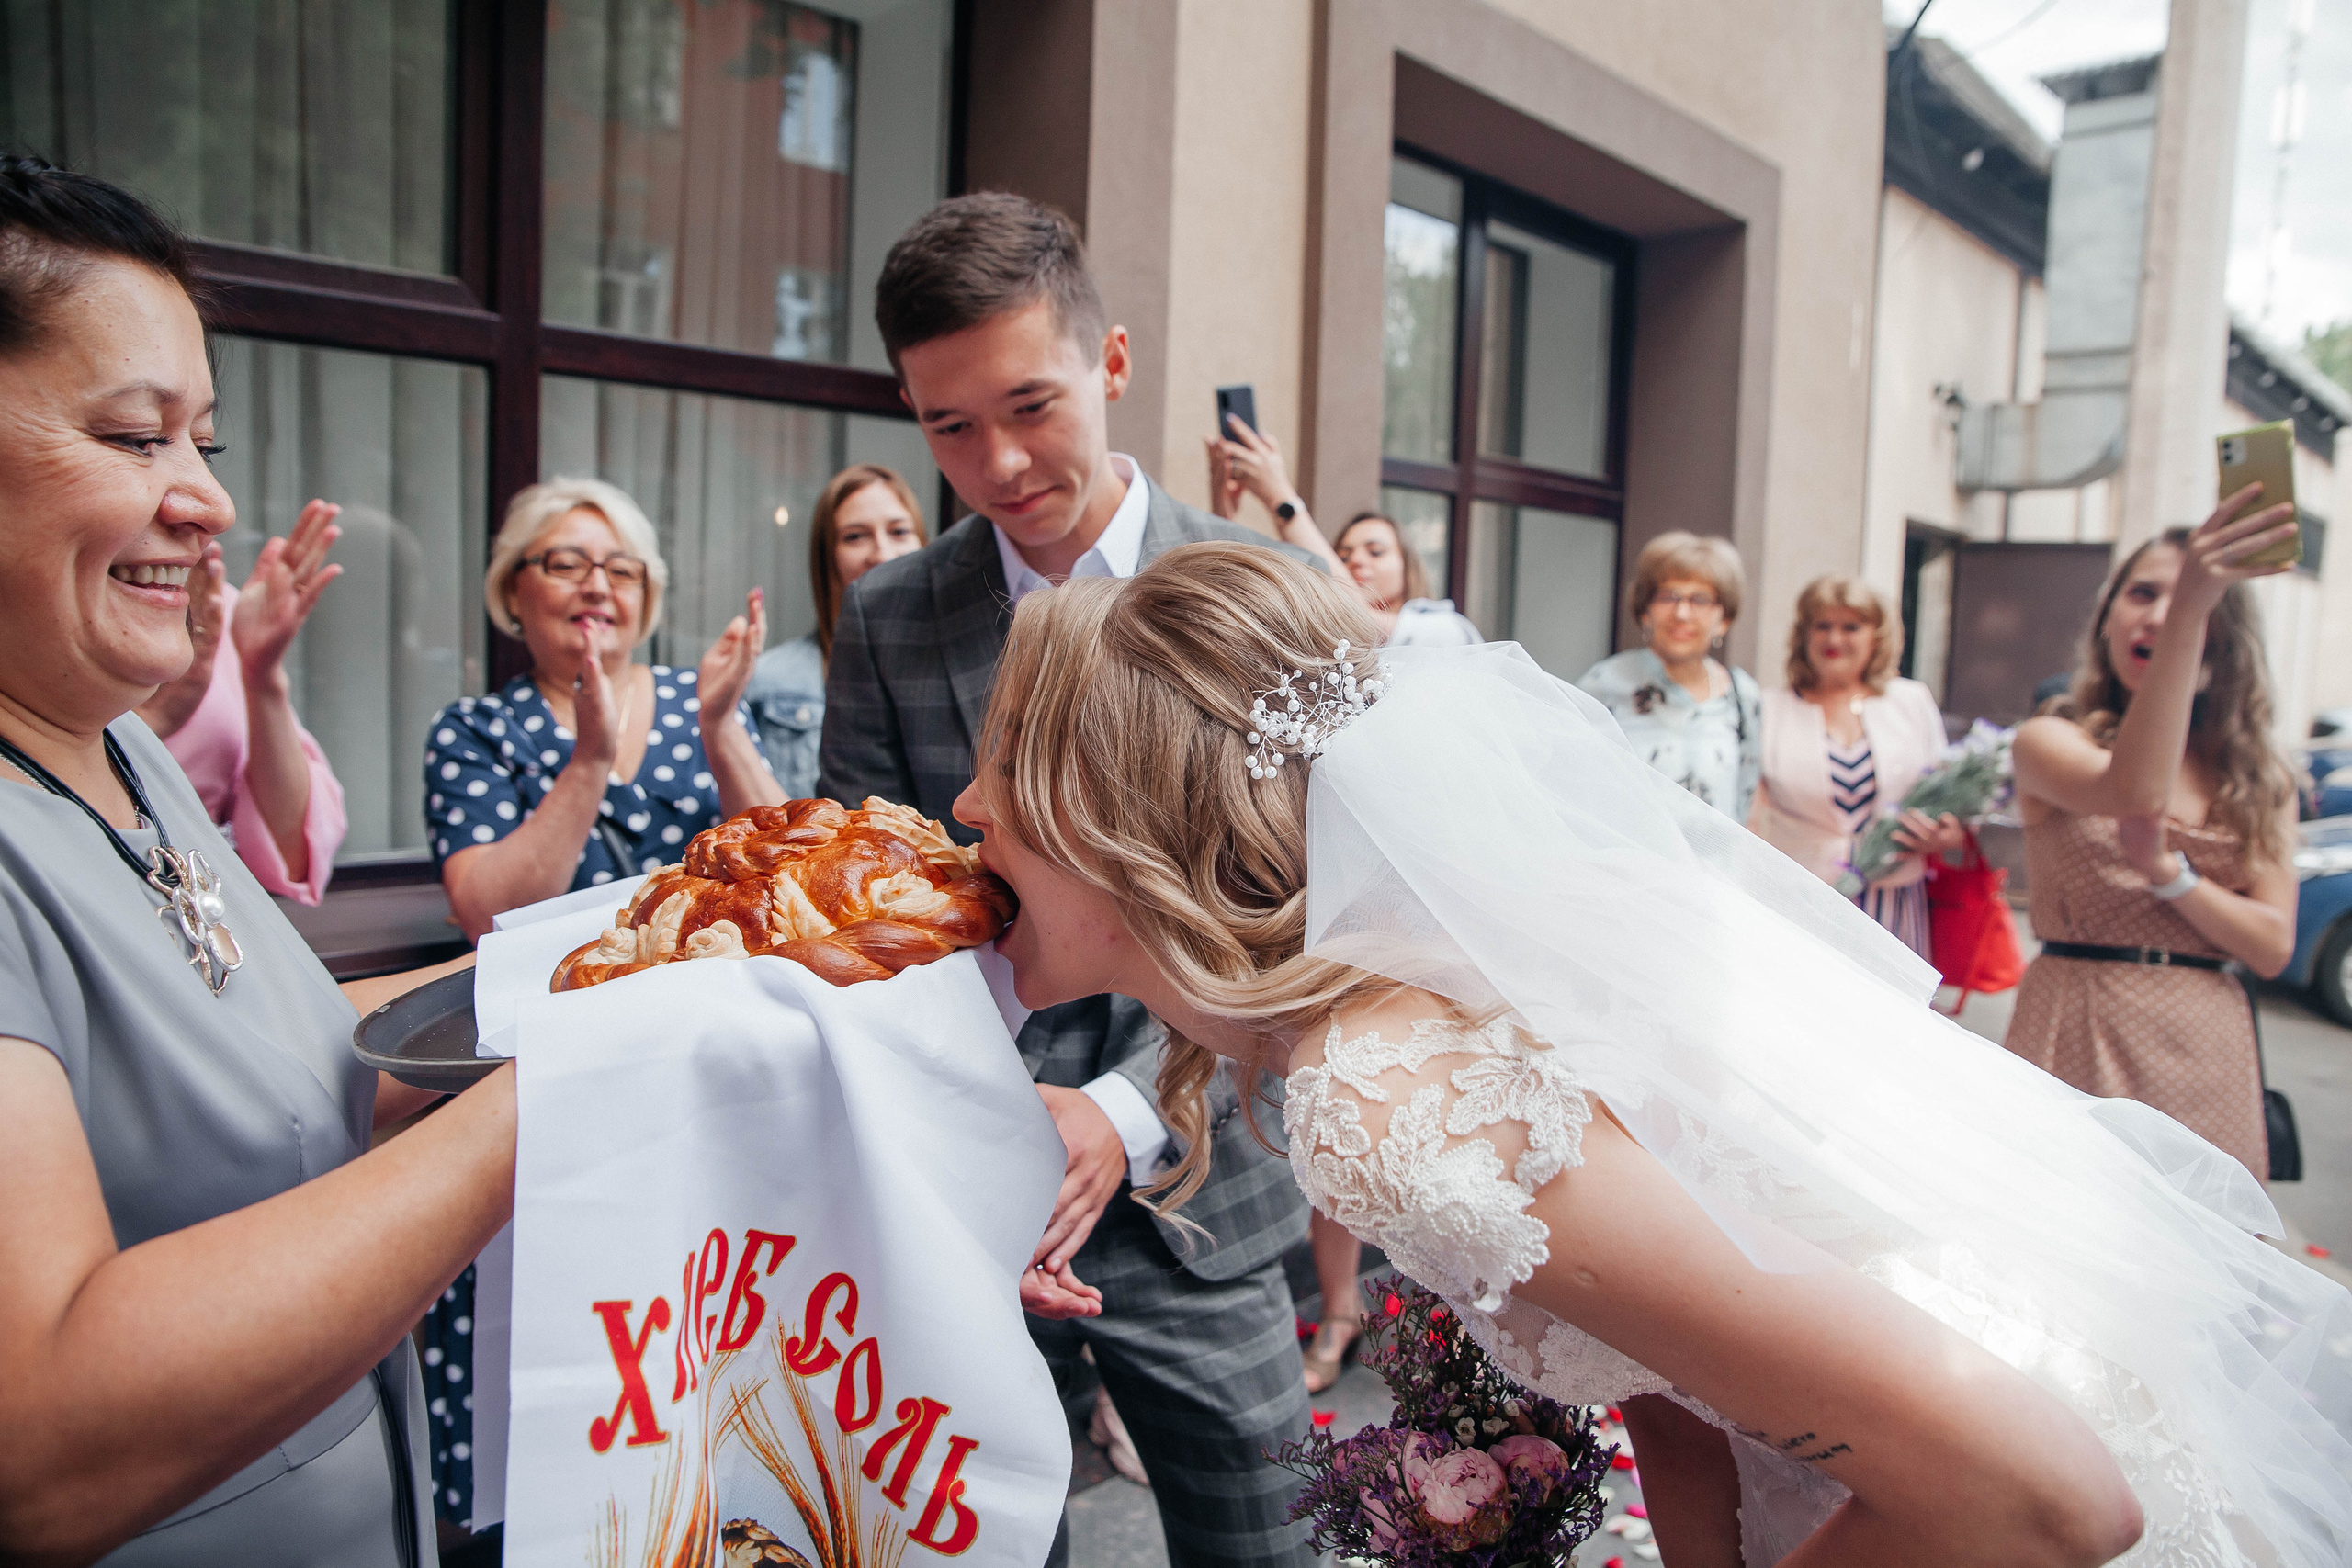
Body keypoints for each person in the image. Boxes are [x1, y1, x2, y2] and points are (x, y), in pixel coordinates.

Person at [951, 539, 2352, 1568]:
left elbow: (2054, 1498)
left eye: (1004, 766)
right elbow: (1671, 1375)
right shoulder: (1389, 1016)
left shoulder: (1384, 1093)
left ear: (1120, 816)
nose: (962, 807)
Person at [0, 153, 517, 1567]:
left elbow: (298, 1045)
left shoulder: (128, 751)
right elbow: (38, 1431)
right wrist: (542, 1100)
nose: (204, 501)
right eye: (132, 436)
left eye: (204, 445)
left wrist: (602, 961)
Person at [820, 191, 1322, 1568]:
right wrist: (995, 1122)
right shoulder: (889, 618)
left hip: (1201, 1189)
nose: (997, 459)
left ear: (1111, 364)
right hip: (972, 1197)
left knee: (1273, 1544)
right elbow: (875, 913)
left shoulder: (1258, 591)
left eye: (1030, 403)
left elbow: (1307, 924)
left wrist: (1119, 1113)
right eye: (947, 426)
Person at [2004, 497, 2302, 1180]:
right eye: (2142, 592)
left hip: (2207, 1051)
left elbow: (2271, 945)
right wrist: (2192, 606)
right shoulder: (2052, 739)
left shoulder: (2258, 777)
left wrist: (2170, 873)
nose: (2161, 613)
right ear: (2107, 614)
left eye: (2188, 600)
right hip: (2077, 1027)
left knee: (2199, 1267)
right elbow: (2134, 791)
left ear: (2225, 639)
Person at [429, 476, 781, 942]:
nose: (597, 587)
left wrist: (719, 727)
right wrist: (591, 761)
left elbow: (786, 866)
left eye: (621, 571)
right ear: (513, 590)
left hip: (710, 988)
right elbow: (486, 920)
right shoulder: (478, 729)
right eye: (567, 565)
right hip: (559, 995)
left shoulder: (699, 697)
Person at [133, 503, 349, 902]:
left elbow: (291, 859)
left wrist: (261, 676)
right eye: (138, 443)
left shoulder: (216, 608)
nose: (215, 508)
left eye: (204, 452)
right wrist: (156, 718)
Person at [1750, 575, 1963, 959]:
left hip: (1892, 901)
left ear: (1876, 636)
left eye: (1851, 627)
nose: (1834, 640)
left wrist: (1947, 833)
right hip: (1799, 898)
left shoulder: (1910, 702)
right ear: (1803, 635)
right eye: (1823, 626)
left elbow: (1949, 795)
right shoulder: (1768, 708)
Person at [744, 463, 928, 798]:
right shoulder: (769, 681)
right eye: (855, 536)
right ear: (828, 557)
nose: (882, 554)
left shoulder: (967, 670)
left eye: (899, 531)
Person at [1577, 530, 1762, 819]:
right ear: (1645, 611)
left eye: (1700, 600)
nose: (1682, 613)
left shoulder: (1742, 695)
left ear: (1723, 619)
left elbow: (1743, 799)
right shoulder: (1604, 684)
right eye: (1668, 597)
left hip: (1714, 864)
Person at [1328, 512, 1480, 647]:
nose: (1356, 560)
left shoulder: (1445, 627)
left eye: (1375, 552)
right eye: (1343, 558)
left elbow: (1362, 619)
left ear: (1406, 565)